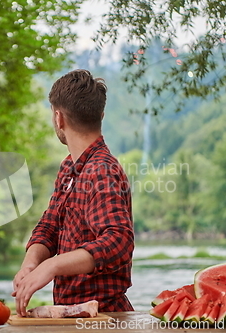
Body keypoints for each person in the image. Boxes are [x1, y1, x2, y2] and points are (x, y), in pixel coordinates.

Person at [11, 69, 135, 316]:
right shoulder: (69, 167)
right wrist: (32, 263)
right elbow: (49, 226)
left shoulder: (102, 170)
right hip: (73, 314)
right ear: (100, 115)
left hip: (105, 316)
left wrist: (53, 265)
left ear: (58, 118)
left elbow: (119, 241)